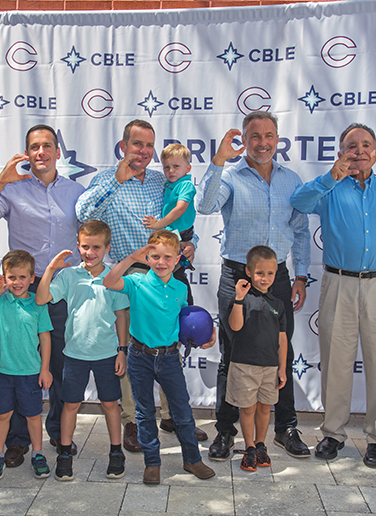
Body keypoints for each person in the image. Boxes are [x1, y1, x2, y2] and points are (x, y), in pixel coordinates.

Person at [290, 123, 376, 468]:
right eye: (351, 146)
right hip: (339, 284)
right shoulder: (329, 190)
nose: (359, 151)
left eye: (366, 145)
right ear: (341, 154)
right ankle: (333, 433)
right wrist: (329, 178)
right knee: (336, 361)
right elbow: (298, 201)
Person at [76, 120, 207, 452]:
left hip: (166, 274)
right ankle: (133, 420)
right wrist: (117, 182)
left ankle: (173, 415)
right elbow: (82, 215)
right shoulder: (106, 179)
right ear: (123, 146)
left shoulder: (163, 181)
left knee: (168, 346)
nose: (144, 152)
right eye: (137, 145)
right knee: (134, 349)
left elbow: (180, 217)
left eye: (149, 146)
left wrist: (188, 245)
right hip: (130, 276)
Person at [196, 111, 311, 460]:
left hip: (277, 278)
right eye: (255, 136)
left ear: (278, 139)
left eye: (269, 135)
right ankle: (226, 431)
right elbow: (204, 205)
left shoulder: (292, 181)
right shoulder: (229, 175)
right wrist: (217, 162)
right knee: (233, 355)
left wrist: (302, 275)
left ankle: (285, 428)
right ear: (243, 140)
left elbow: (302, 230)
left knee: (280, 353)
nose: (263, 142)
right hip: (239, 278)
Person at [0, 124, 85, 467]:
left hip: (63, 289)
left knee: (61, 364)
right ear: (27, 153)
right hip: (22, 288)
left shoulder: (77, 192)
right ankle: (18, 440)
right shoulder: (13, 190)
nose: (41, 152)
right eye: (34, 147)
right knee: (18, 363)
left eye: (47, 146)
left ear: (57, 152)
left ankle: (56, 432)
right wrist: (1, 180)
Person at [103, 229, 216, 485]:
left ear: (177, 259)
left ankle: (192, 459)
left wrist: (207, 334)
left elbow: (189, 321)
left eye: (167, 257)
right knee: (144, 412)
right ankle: (152, 463)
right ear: (147, 257)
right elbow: (109, 282)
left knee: (183, 411)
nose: (161, 262)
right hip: (139, 356)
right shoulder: (136, 282)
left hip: (169, 358)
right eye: (155, 256)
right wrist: (132, 258)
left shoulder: (179, 288)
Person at [34, 220, 130, 481]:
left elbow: (122, 316)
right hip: (74, 353)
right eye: (85, 247)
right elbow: (41, 298)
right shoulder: (68, 276)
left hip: (107, 353)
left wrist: (122, 350)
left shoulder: (114, 278)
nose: (90, 252)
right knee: (70, 404)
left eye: (96, 247)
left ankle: (116, 452)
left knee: (110, 403)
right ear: (78, 246)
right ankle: (65, 453)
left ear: (107, 248)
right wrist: (51, 268)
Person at [0, 250, 54, 480]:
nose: (16, 282)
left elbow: (45, 338)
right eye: (11, 277)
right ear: (4, 278)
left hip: (30, 372)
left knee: (33, 416)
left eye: (22, 277)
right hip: (4, 372)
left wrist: (45, 368)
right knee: (2, 415)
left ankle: (38, 454)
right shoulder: (0, 301)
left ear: (32, 278)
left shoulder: (38, 304)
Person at [227, 246, 287, 472]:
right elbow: (235, 326)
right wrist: (239, 299)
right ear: (249, 272)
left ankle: (261, 445)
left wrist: (282, 369)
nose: (265, 278)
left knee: (264, 408)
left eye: (270, 273)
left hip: (270, 367)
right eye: (260, 273)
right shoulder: (243, 298)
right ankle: (249, 447)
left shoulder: (278, 305)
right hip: (244, 366)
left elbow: (282, 341)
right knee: (248, 409)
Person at [142, 143, 197, 304]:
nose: (171, 171)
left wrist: (159, 224)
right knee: (166, 272)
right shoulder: (168, 185)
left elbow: (180, 209)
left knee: (176, 273)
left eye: (176, 166)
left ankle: (186, 304)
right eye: (166, 167)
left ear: (188, 168)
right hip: (172, 232)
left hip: (181, 234)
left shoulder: (186, 185)